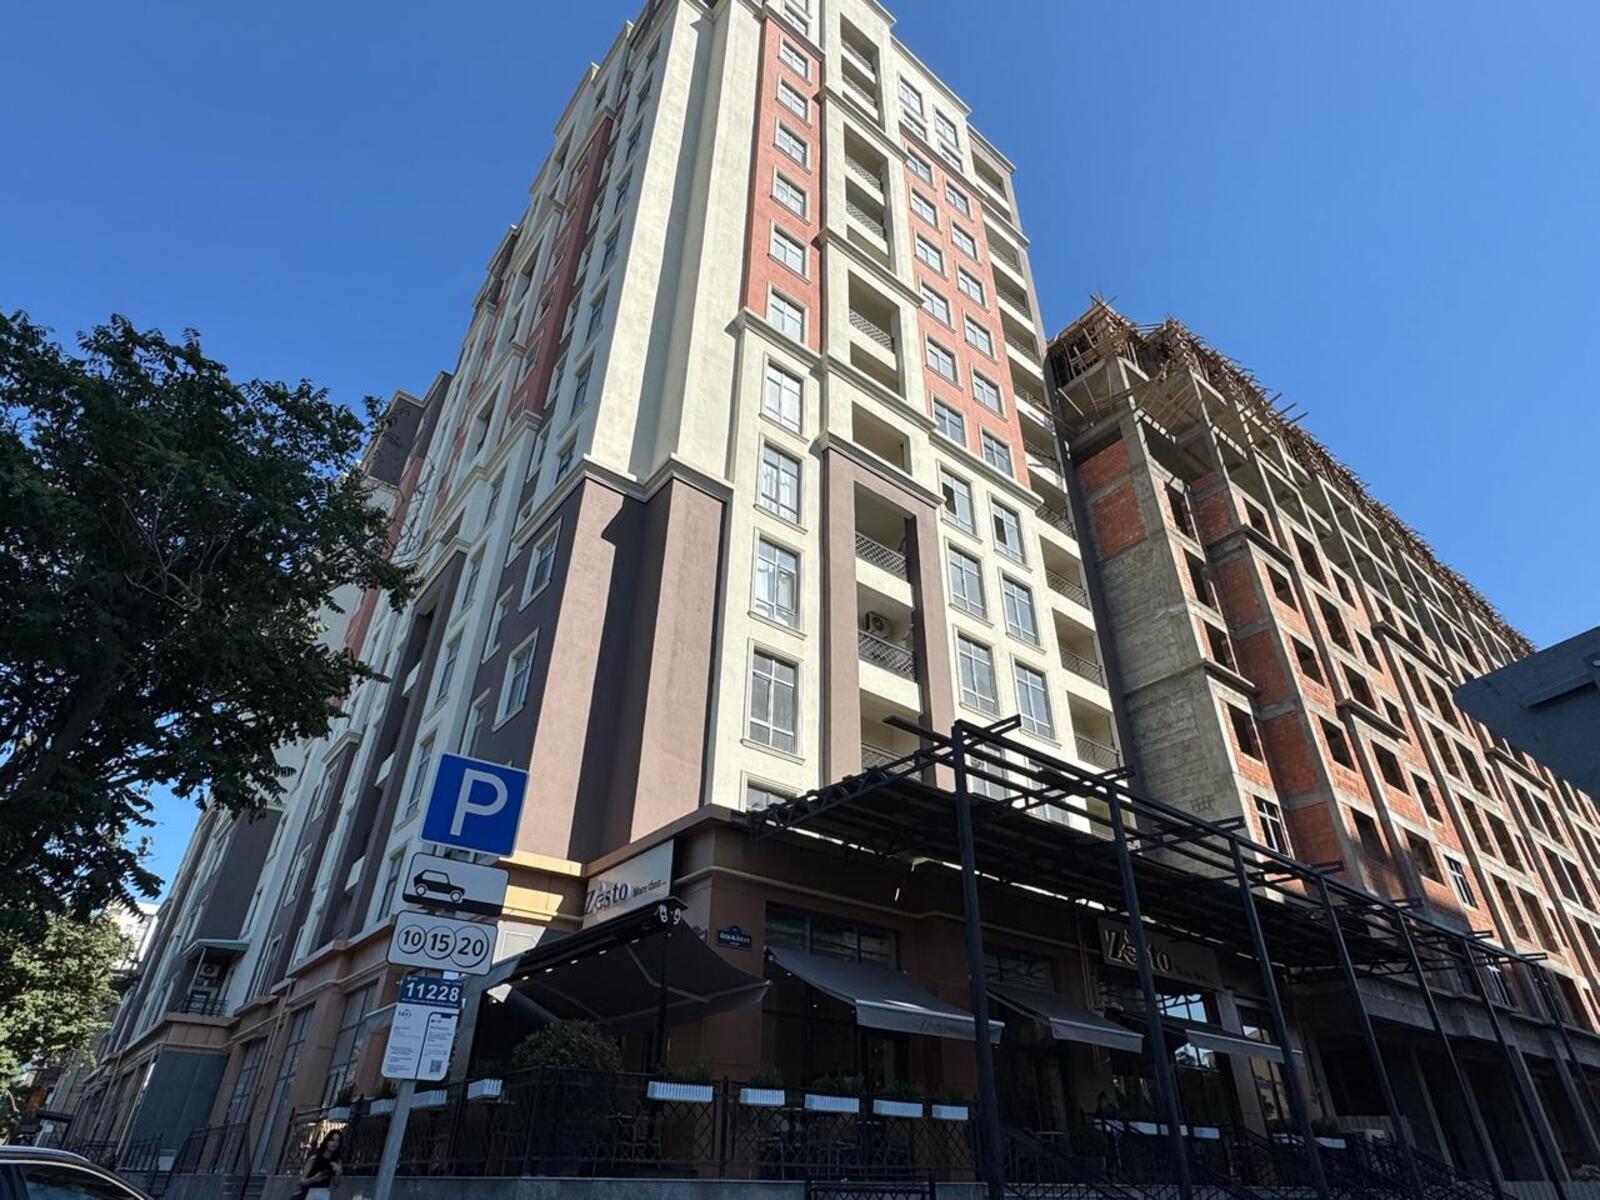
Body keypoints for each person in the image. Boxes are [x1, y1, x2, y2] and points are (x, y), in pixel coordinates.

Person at [297, 1130, 344, 1200]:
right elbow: (301, 1181)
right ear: (327, 1141)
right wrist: (313, 1179)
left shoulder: (337, 1161)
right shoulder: (314, 1159)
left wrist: (338, 1172)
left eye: (338, 1141)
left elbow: (336, 1184)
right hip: (309, 1192)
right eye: (332, 1140)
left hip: (324, 1193)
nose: (335, 1143)